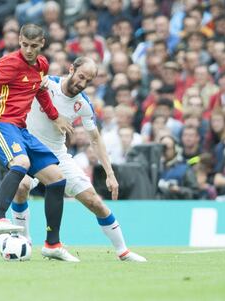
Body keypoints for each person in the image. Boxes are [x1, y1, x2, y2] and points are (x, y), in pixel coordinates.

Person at [11, 57, 146, 262]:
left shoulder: (83, 104)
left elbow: (95, 138)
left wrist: (110, 174)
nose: (82, 83)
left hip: (57, 155)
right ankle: (23, 239)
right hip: (28, 148)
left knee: (94, 202)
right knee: (21, 186)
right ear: (71, 69)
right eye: (81, 76)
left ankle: (123, 251)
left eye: (88, 81)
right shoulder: (45, 83)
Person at [0, 24, 77, 261]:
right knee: (20, 162)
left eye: (33, 46)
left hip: (20, 129)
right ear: (19, 41)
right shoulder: (10, 63)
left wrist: (55, 116)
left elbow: (40, 92)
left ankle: (52, 244)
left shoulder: (41, 65)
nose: (28, 50)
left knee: (56, 179)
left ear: (42, 43)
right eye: (24, 45)